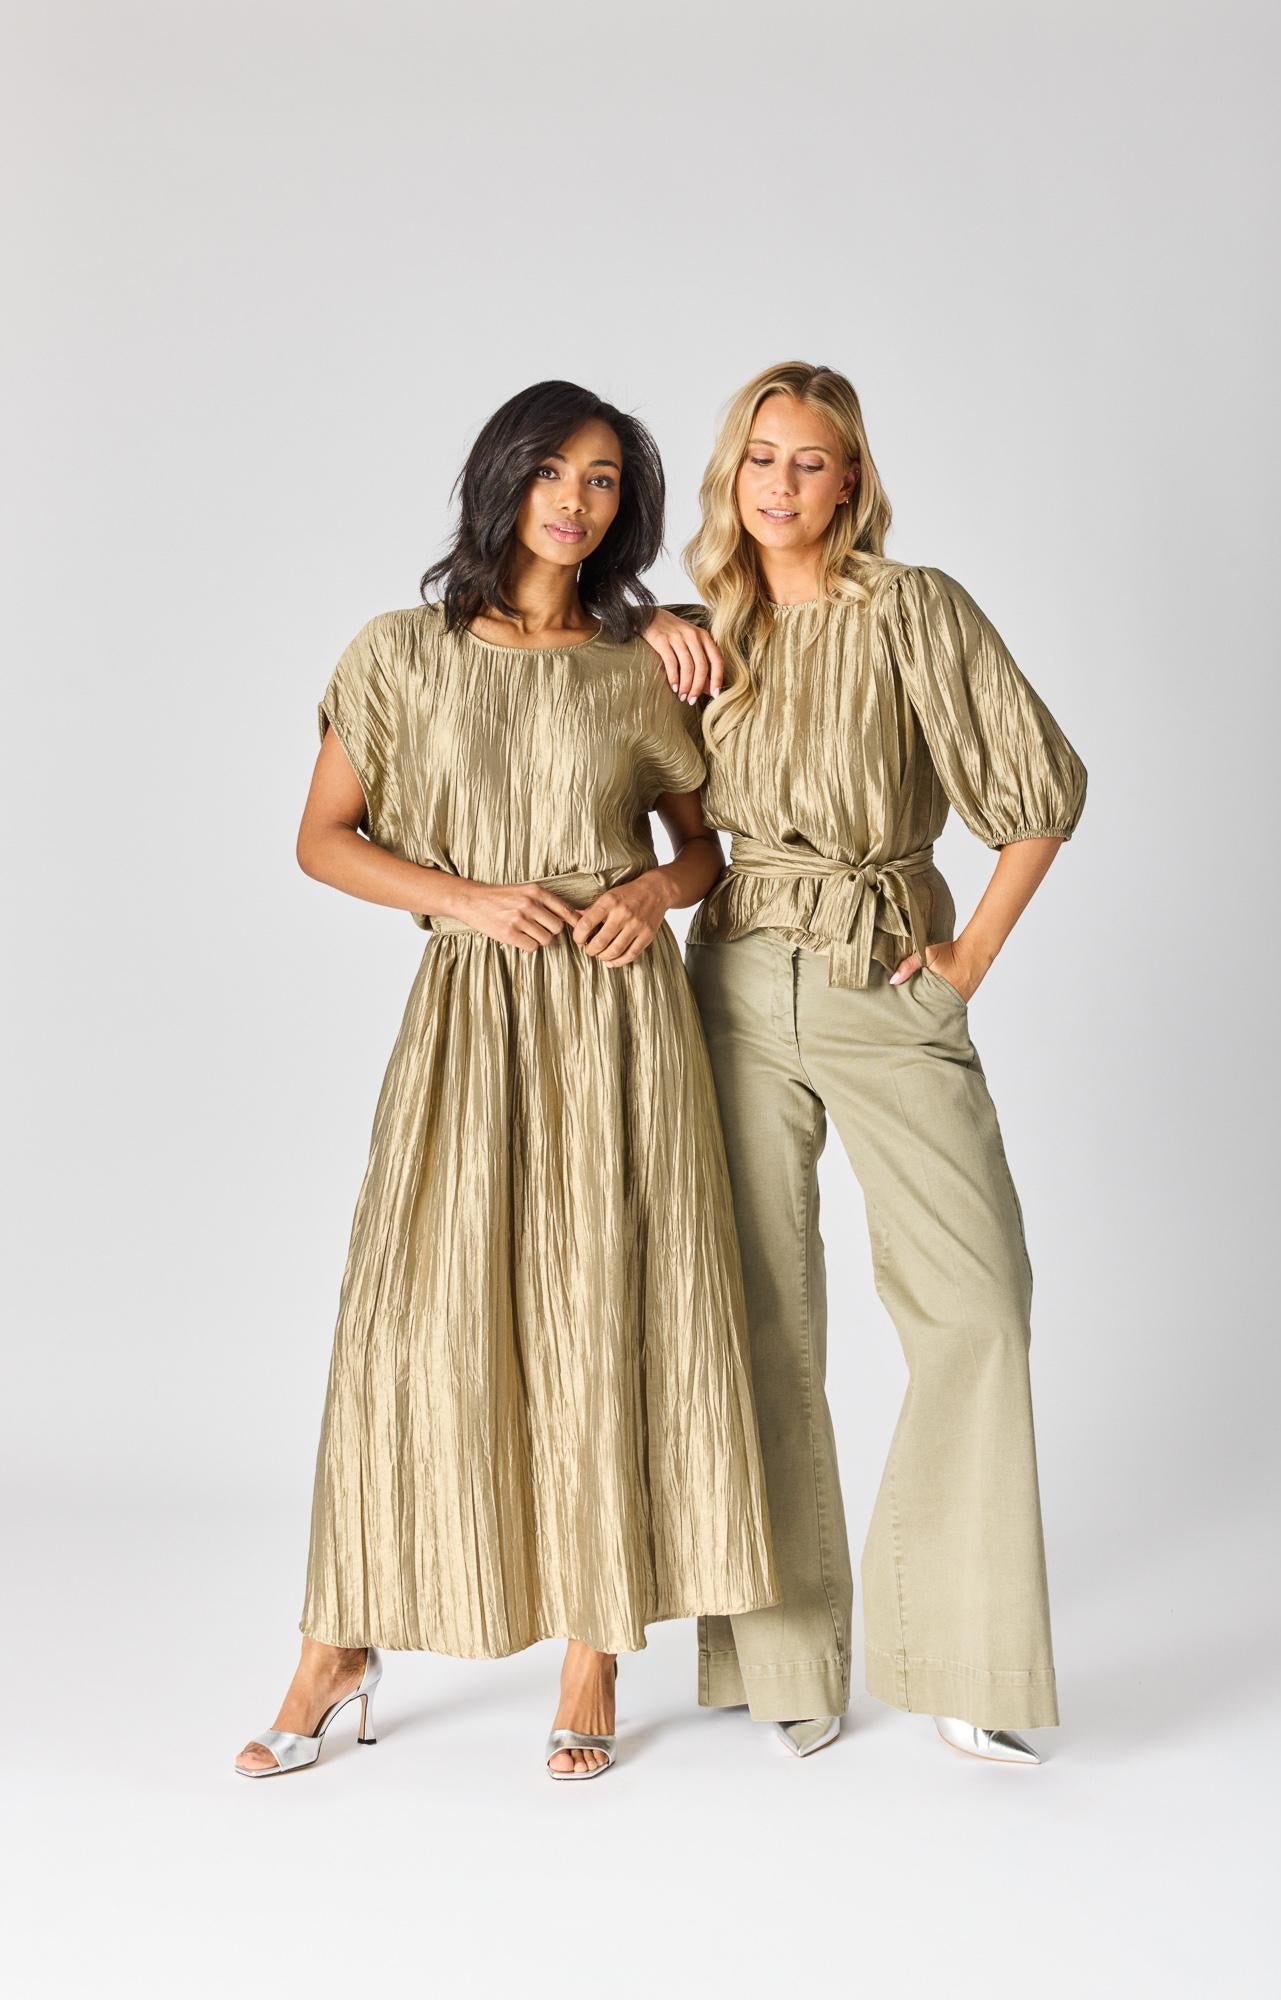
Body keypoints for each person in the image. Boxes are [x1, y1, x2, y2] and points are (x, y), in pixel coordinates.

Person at [234, 381, 778, 1784]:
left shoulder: (637, 664)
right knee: (410, 1328)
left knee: (602, 1310)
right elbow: (322, 838)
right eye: (550, 471)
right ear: (502, 479)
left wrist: (650, 893)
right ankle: (336, 1646)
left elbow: (701, 852)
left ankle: (596, 1647)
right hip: (471, 1016)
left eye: (602, 480)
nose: (573, 501)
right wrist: (465, 899)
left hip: (617, 1018)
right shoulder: (399, 653)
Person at [642, 360, 1088, 1764]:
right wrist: (645, 622)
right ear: (732, 473)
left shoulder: (912, 608)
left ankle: (960, 1654)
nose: (780, 483)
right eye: (759, 456)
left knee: (977, 1304)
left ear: (851, 481)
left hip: (882, 971)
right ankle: (783, 1662)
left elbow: (1037, 794)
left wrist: (965, 962)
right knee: (759, 1318)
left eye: (810, 460)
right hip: (731, 974)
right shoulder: (695, 630)